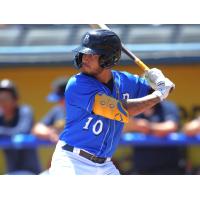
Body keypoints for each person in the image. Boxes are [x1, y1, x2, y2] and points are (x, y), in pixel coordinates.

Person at [49, 29, 175, 175]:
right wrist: (159, 94)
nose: (85, 58)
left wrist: (158, 81)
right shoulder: (77, 84)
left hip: (105, 165)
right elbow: (119, 110)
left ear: (108, 58)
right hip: (72, 161)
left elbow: (161, 91)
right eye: (84, 53)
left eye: (92, 54)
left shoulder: (126, 81)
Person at [123, 100, 186, 175]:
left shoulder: (167, 106)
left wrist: (147, 127)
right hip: (141, 168)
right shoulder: (135, 107)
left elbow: (171, 127)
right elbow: (123, 127)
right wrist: (137, 126)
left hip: (167, 167)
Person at [0, 79, 41, 174]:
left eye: (5, 99)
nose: (2, 102)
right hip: (12, 171)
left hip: (31, 171)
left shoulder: (25, 111)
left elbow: (22, 130)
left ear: (15, 99)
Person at [32, 77, 68, 143]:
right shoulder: (58, 110)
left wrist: (62, 135)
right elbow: (37, 128)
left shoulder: (85, 110)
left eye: (62, 99)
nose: (59, 102)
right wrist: (50, 133)